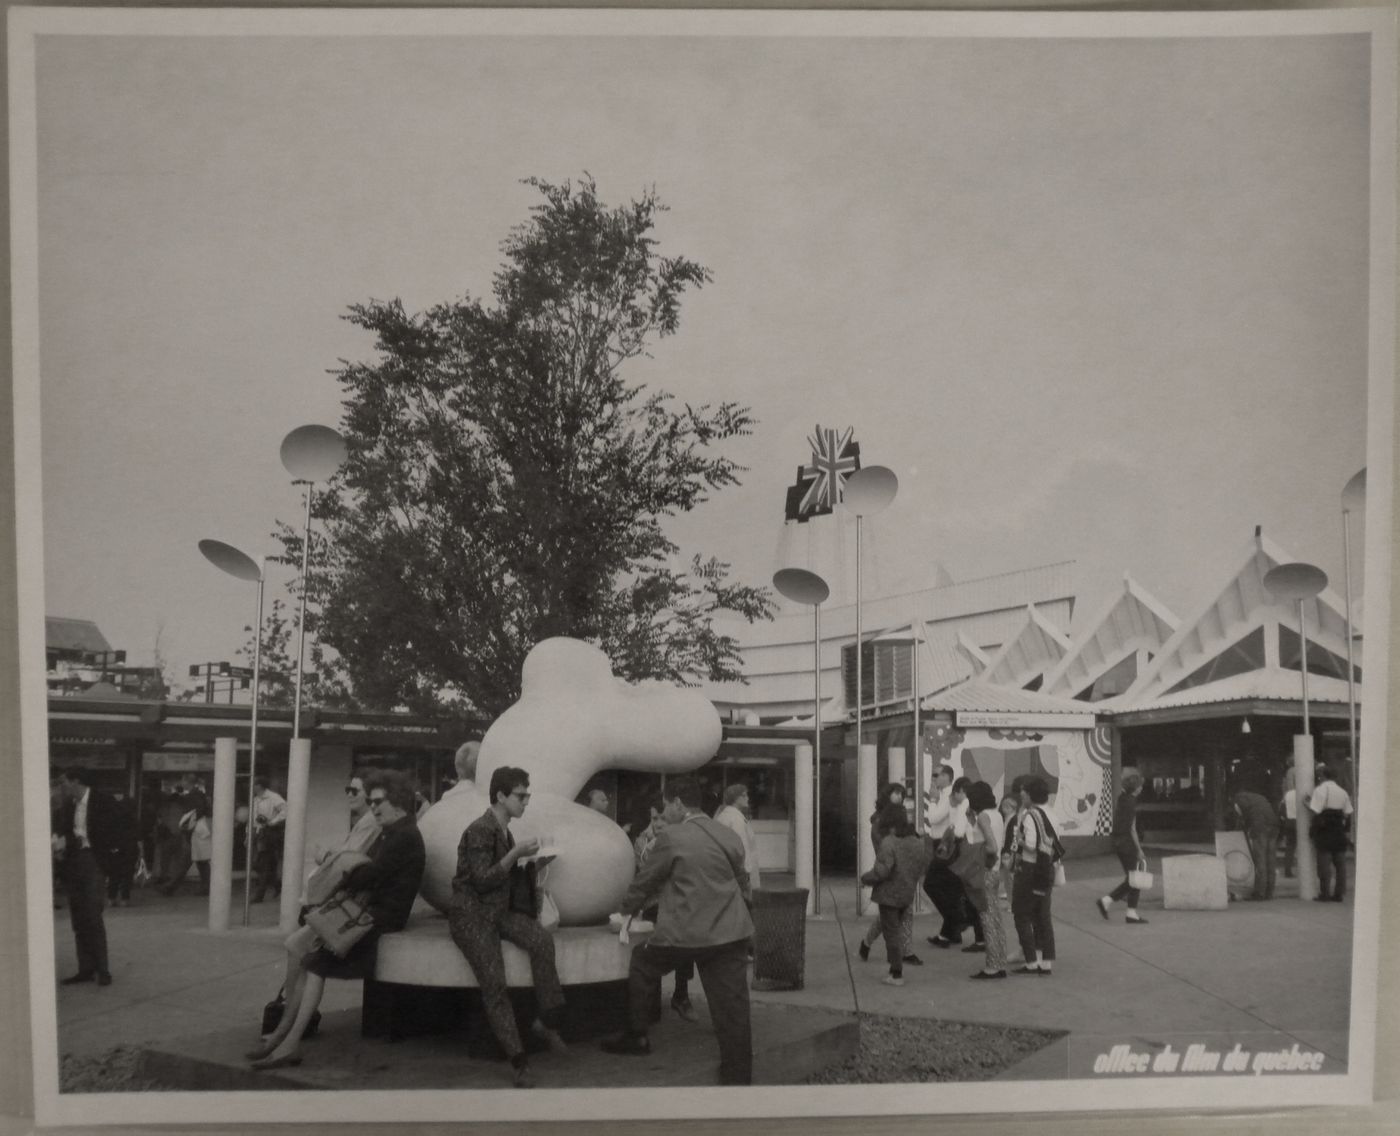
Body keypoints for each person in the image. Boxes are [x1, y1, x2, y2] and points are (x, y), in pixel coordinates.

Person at [248, 771, 426, 1070]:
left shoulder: (403, 836)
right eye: (371, 801)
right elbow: (364, 871)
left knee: (315, 964)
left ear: (398, 802)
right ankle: (282, 1037)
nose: (373, 807)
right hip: (367, 913)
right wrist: (349, 869)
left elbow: (369, 874)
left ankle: (287, 1042)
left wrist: (342, 867)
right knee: (309, 959)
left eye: (378, 801)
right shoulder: (394, 832)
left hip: (378, 918)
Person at [602, 775, 754, 1085]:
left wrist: (625, 910)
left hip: (687, 933)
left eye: (666, 806)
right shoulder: (727, 834)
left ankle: (638, 1035)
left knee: (643, 964)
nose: (664, 812)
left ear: (678, 803)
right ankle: (738, 1079)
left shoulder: (672, 837)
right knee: (733, 1009)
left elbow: (646, 881)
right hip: (731, 932)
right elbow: (743, 882)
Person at [448, 766, 568, 1088]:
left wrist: (536, 863)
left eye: (527, 794)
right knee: (494, 983)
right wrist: (516, 853)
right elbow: (483, 879)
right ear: (500, 796)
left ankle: (548, 1019)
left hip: (497, 912)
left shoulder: (504, 830)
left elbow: (506, 878)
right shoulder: (481, 829)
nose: (526, 800)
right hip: (471, 916)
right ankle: (518, 1059)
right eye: (520, 795)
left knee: (541, 940)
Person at [632, 795, 697, 1022]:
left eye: (662, 819)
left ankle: (681, 993)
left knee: (686, 930)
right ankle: (672, 996)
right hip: (653, 904)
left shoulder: (677, 839)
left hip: (674, 902)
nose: (659, 824)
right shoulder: (642, 843)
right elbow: (648, 876)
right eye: (654, 818)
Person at [54, 768, 118, 986]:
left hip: (94, 861)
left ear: (76, 781)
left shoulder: (103, 801)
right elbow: (64, 831)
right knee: (78, 917)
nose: (62, 787)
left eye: (64, 782)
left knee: (93, 915)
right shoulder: (68, 806)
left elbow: (119, 830)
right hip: (73, 863)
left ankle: (103, 969)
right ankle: (85, 969)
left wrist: (112, 860)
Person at [860, 802, 933, 987]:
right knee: (896, 930)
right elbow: (923, 865)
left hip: (888, 895)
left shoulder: (889, 842)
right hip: (907, 894)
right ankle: (888, 962)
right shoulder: (917, 843)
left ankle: (896, 972)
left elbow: (882, 872)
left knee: (891, 933)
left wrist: (865, 879)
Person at [859, 782, 921, 966]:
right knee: (893, 916)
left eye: (901, 794)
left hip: (898, 869)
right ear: (887, 796)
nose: (900, 797)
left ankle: (872, 944)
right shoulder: (880, 823)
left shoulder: (899, 819)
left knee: (897, 915)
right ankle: (900, 955)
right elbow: (884, 850)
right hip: (890, 870)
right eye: (896, 793)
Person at [1008, 776, 1058, 976]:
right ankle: (1046, 962)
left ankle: (1030, 962)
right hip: (1047, 870)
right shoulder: (1052, 813)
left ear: (1030, 794)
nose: (1021, 794)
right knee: (1043, 916)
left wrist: (1018, 839)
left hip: (1029, 870)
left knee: (1021, 914)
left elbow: (1031, 844)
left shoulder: (1031, 815)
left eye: (1024, 792)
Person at [924, 765, 971, 949]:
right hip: (943, 844)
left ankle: (957, 919)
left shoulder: (947, 796)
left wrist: (933, 800)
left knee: (931, 884)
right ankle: (949, 933)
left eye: (937, 775)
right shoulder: (949, 796)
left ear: (947, 777)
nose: (934, 778)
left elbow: (933, 818)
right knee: (950, 889)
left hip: (946, 846)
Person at [966, 782, 1009, 979]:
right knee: (995, 917)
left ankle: (992, 965)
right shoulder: (997, 814)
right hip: (995, 870)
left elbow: (991, 846)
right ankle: (1000, 961)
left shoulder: (983, 817)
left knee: (986, 918)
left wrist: (976, 851)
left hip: (984, 869)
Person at [1097, 771, 1150, 921]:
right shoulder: (1132, 802)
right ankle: (1108, 902)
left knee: (1133, 878)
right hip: (1128, 843)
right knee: (1135, 878)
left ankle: (1130, 912)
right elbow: (1132, 828)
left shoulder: (1122, 799)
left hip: (1119, 843)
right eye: (1139, 786)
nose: (1141, 788)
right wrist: (1139, 849)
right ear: (1135, 788)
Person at [1309, 765, 1353, 902]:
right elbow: (1348, 812)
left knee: (1324, 864)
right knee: (1340, 865)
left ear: (1322, 776)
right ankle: (1339, 894)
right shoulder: (1342, 792)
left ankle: (1325, 893)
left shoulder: (1320, 790)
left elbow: (1315, 810)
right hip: (1338, 830)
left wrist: (1306, 803)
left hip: (1325, 831)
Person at [1231, 786, 1281, 902]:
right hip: (1273, 826)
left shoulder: (1238, 799)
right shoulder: (1260, 798)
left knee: (1260, 860)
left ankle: (1260, 893)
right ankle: (1269, 892)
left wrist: (1237, 831)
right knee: (1270, 860)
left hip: (1259, 827)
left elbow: (1241, 818)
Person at [713, 783, 762, 889]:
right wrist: (747, 870)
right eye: (744, 795)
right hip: (740, 872)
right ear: (735, 798)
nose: (747, 798)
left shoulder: (723, 815)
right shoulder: (736, 819)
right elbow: (742, 845)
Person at [250, 776, 287, 903]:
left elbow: (285, 810)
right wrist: (249, 834)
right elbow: (253, 818)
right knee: (258, 864)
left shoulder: (273, 797)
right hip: (259, 832)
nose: (252, 787)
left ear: (260, 786)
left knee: (263, 863)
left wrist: (273, 821)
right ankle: (277, 884)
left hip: (270, 833)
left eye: (254, 784)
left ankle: (259, 895)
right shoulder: (256, 799)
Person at [104, 791, 140, 907]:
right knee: (128, 873)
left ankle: (111, 897)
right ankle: (125, 898)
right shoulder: (132, 817)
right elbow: (138, 833)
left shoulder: (110, 816)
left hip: (114, 846)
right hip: (130, 845)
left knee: (114, 872)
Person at [186, 797, 213, 896]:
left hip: (201, 842)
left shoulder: (197, 816)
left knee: (203, 867)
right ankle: (206, 887)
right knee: (204, 866)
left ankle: (206, 887)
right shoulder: (207, 816)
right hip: (203, 842)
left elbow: (190, 827)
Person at [1279, 783, 1298, 878]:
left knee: (1290, 847)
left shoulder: (1288, 794)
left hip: (1290, 822)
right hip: (1302, 822)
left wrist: (1285, 818)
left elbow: (1281, 809)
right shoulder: (1307, 792)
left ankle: (1288, 870)